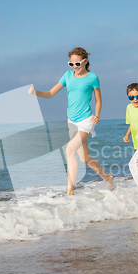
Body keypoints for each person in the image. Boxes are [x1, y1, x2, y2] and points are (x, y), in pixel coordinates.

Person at [28, 47, 113, 195]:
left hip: (86, 120)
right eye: (71, 64)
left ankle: (70, 190)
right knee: (84, 158)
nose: (75, 67)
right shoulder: (67, 76)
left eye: (77, 64)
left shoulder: (92, 77)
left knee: (69, 150)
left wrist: (97, 115)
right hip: (72, 122)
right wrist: (36, 92)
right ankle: (107, 177)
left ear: (85, 62)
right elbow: (50, 94)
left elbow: (98, 100)